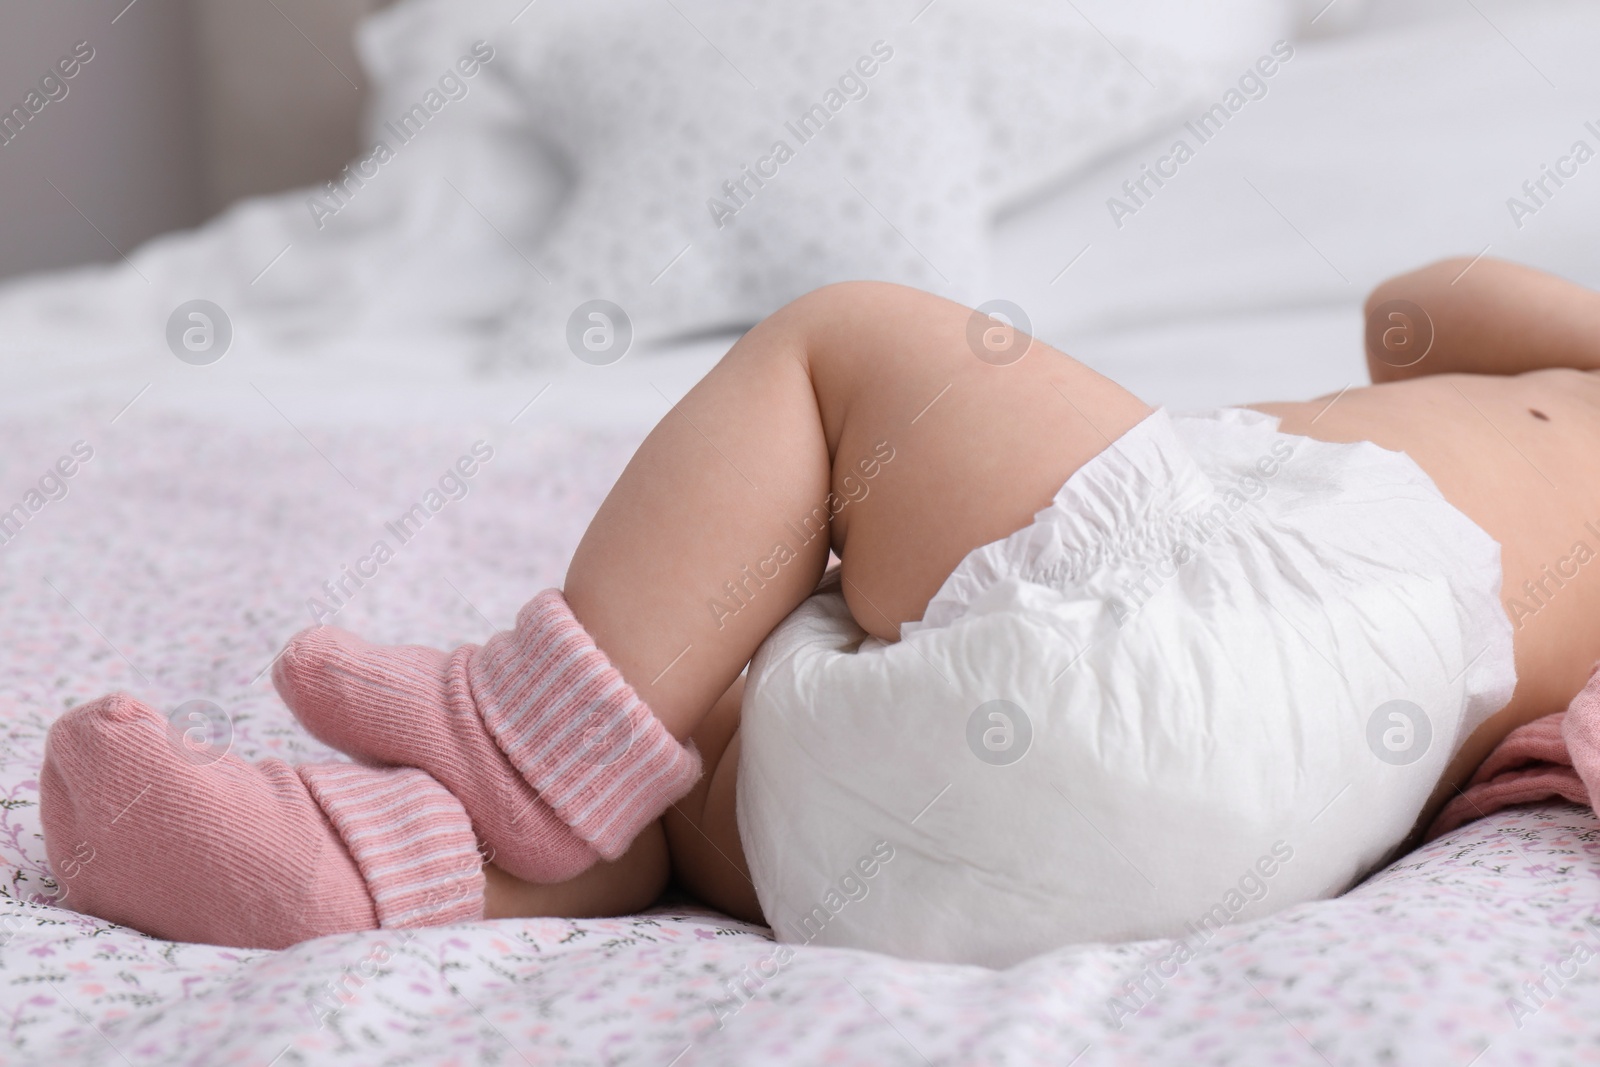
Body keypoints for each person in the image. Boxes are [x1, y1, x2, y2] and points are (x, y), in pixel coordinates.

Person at [38, 256, 1600, 950]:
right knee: (709, 736)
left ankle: (518, 752)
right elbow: (1412, 317)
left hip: (1280, 608)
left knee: (846, 341)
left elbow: (1419, 310)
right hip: (1196, 844)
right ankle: (377, 875)